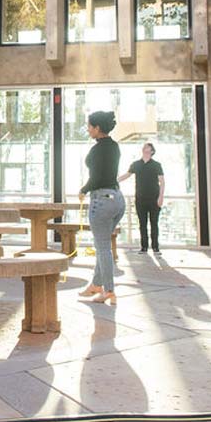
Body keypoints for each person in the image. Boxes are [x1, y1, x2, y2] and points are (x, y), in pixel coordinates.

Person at [78, 110, 124, 305]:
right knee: (102, 244)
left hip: (101, 201)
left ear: (97, 128)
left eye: (89, 126)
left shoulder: (97, 150)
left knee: (103, 247)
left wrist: (83, 190)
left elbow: (96, 178)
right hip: (117, 200)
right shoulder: (114, 146)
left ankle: (109, 291)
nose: (88, 129)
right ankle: (96, 285)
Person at [119, 142, 165, 255]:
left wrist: (161, 197)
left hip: (154, 198)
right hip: (140, 198)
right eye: (144, 147)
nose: (145, 149)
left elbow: (162, 182)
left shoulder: (156, 165)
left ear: (152, 151)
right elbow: (127, 175)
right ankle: (144, 247)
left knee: (154, 223)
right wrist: (114, 181)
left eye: (148, 148)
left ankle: (155, 247)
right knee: (142, 224)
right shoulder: (136, 164)